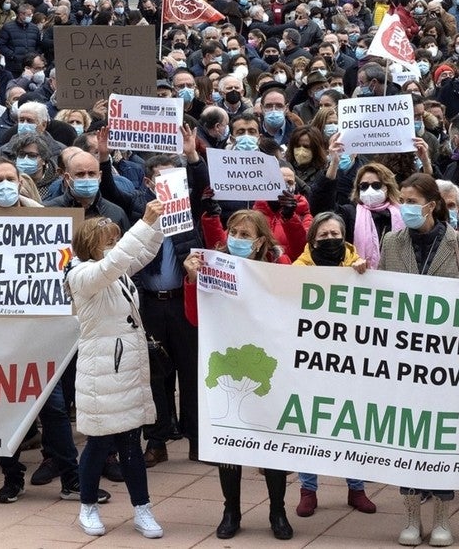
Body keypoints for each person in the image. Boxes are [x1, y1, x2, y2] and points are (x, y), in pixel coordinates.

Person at [379, 173, 459, 547]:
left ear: (431, 203)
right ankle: (411, 515)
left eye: (411, 199)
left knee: (442, 435)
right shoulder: (391, 242)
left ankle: (442, 517)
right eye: (400, 198)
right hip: (404, 358)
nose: (404, 205)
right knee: (405, 433)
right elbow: (380, 294)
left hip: (446, 361)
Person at [183, 208, 295, 540]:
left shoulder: (280, 266)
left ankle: (278, 510)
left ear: (261, 241)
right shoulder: (211, 264)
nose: (237, 239)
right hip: (227, 364)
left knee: (271, 440)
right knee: (229, 440)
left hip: (268, 367)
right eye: (233, 232)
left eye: (246, 235)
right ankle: (231, 510)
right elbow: (194, 318)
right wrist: (191, 280)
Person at [66, 200, 166, 538]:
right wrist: (143, 222)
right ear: (89, 245)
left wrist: (159, 224)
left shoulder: (116, 269)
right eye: (106, 240)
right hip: (101, 373)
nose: (112, 245)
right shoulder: (81, 274)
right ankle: (88, 506)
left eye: (114, 238)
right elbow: (114, 263)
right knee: (98, 444)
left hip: (126, 370)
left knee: (130, 442)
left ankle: (143, 509)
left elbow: (144, 253)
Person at [290, 212, 378, 518]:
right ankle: (308, 489)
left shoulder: (360, 267)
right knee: (309, 423)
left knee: (350, 424)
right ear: (312, 239)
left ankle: (356, 488)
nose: (330, 240)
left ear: (345, 237)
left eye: (335, 234)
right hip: (311, 361)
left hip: (349, 361)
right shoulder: (297, 270)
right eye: (323, 236)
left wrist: (364, 277)